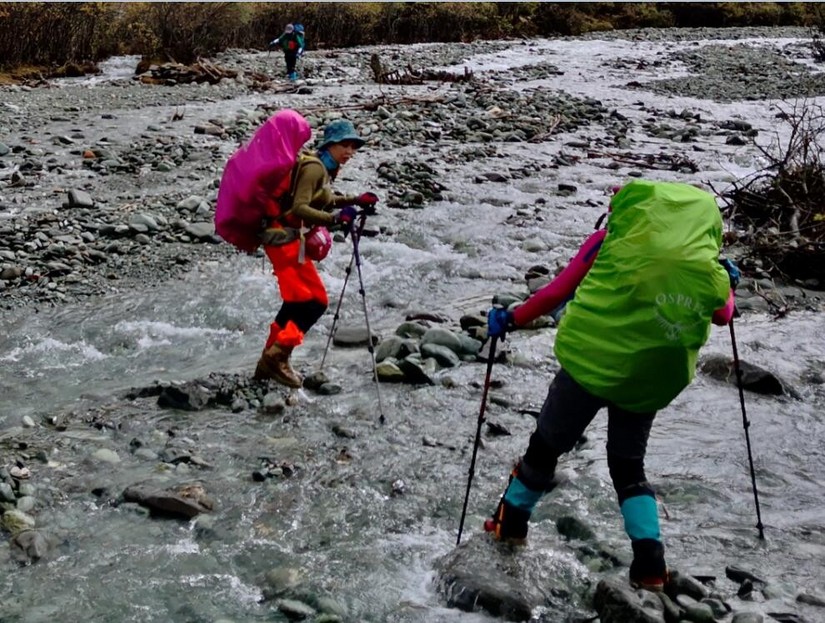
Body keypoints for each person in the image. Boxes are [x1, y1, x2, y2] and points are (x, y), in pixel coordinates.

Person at [483, 180, 739, 591]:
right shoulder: (709, 271)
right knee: (628, 467)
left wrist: (511, 319)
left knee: (545, 448)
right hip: (647, 379)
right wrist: (730, 284)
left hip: (589, 362)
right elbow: (724, 315)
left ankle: (510, 526)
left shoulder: (606, 242)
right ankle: (650, 565)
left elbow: (555, 293)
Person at [254, 119, 379, 388]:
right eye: (345, 145)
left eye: (354, 146)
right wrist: (334, 219)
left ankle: (268, 362)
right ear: (330, 144)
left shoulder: (324, 166)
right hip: (283, 240)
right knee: (315, 303)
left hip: (285, 239)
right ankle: (277, 357)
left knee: (295, 303)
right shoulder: (315, 168)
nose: (350, 151)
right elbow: (300, 208)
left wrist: (355, 200)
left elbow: (324, 199)